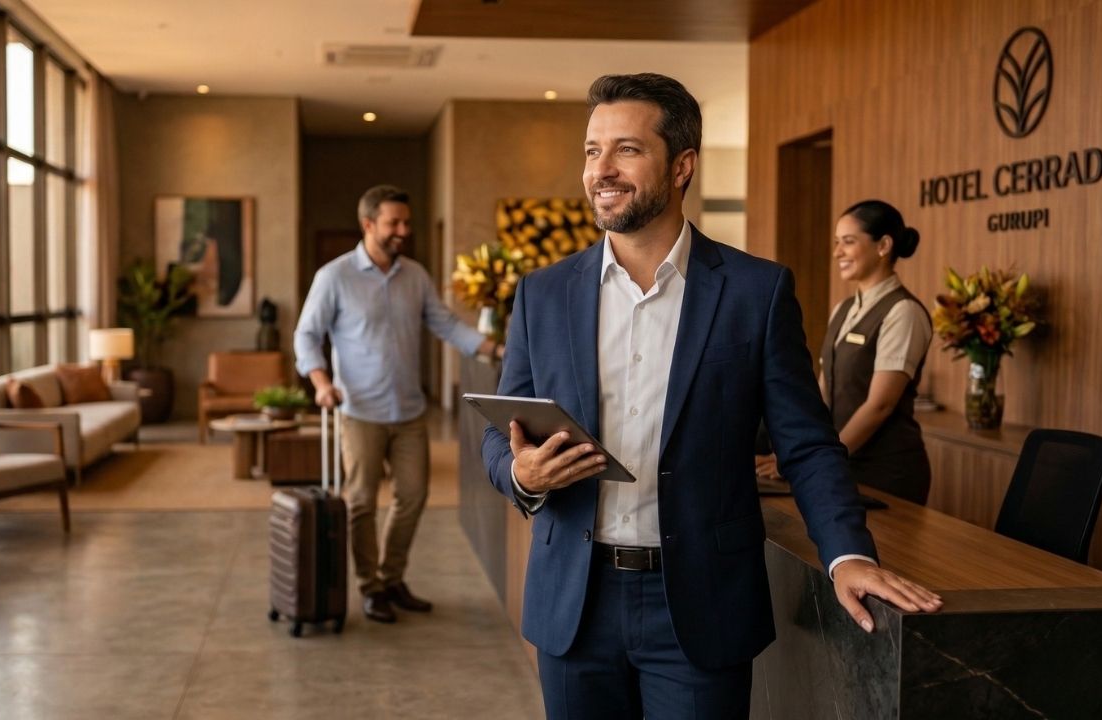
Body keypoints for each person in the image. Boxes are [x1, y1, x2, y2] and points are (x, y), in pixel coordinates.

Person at [479, 73, 941, 719]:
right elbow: (500, 432)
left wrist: (847, 555)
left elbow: (808, 445)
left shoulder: (757, 292)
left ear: (682, 166)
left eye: (627, 150)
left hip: (700, 603)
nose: (601, 170)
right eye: (592, 150)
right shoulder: (543, 293)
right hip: (573, 605)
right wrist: (521, 475)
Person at [295, 184, 503, 624]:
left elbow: (446, 324)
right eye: (394, 223)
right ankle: (369, 587)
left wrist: (496, 350)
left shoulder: (415, 276)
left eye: (406, 223)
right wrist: (320, 382)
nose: (403, 231)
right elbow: (307, 335)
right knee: (361, 502)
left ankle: (391, 578)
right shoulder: (335, 276)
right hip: (359, 411)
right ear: (368, 224)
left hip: (409, 411)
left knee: (413, 496)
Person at [758, 201, 933, 504]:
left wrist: (821, 458)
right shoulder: (843, 309)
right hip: (840, 463)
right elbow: (823, 391)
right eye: (837, 242)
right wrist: (797, 452)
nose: (837, 252)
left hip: (885, 472)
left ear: (884, 245)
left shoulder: (903, 311)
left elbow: (880, 405)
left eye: (848, 242)